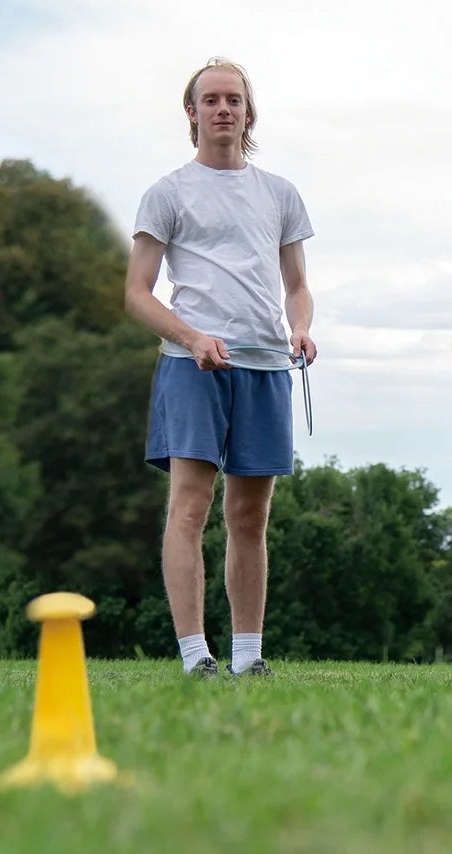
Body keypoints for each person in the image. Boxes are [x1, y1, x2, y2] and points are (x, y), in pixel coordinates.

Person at [123, 57, 315, 679]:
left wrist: (303, 327)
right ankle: (193, 656)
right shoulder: (168, 192)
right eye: (211, 100)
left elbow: (297, 287)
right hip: (192, 366)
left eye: (234, 99)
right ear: (192, 113)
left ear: (248, 111)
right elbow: (137, 292)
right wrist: (191, 335)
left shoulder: (279, 193)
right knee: (189, 508)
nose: (223, 109)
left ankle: (247, 656)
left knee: (250, 516)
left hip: (266, 367)